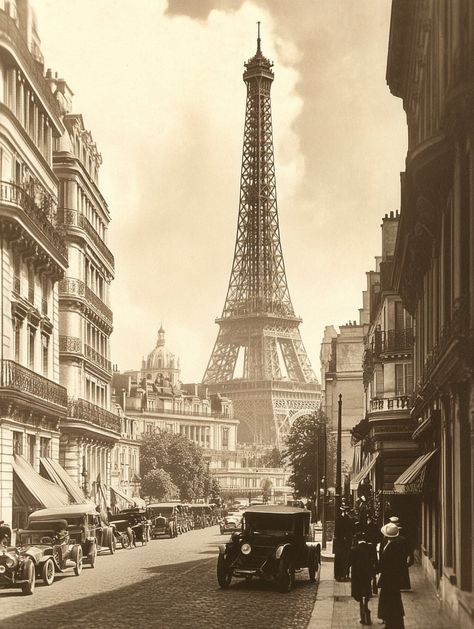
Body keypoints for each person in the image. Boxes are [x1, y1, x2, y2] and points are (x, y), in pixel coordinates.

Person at [377, 523, 406, 629]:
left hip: (390, 581)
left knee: (391, 603)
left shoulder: (392, 548)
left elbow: (386, 565)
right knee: (393, 602)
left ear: (387, 536)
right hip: (392, 580)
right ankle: (392, 623)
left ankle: (393, 625)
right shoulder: (393, 545)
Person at [349, 531, 378, 625]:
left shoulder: (354, 549)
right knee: (366, 591)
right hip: (367, 574)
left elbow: (349, 563)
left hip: (357, 576)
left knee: (359, 594)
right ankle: (366, 608)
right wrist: (375, 572)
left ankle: (362, 613)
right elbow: (375, 561)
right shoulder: (371, 548)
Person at [334, 506, 354, 581]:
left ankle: (341, 575)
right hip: (343, 543)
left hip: (342, 543)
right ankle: (342, 575)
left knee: (343, 559)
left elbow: (336, 533)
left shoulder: (339, 519)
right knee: (343, 559)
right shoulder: (347, 520)